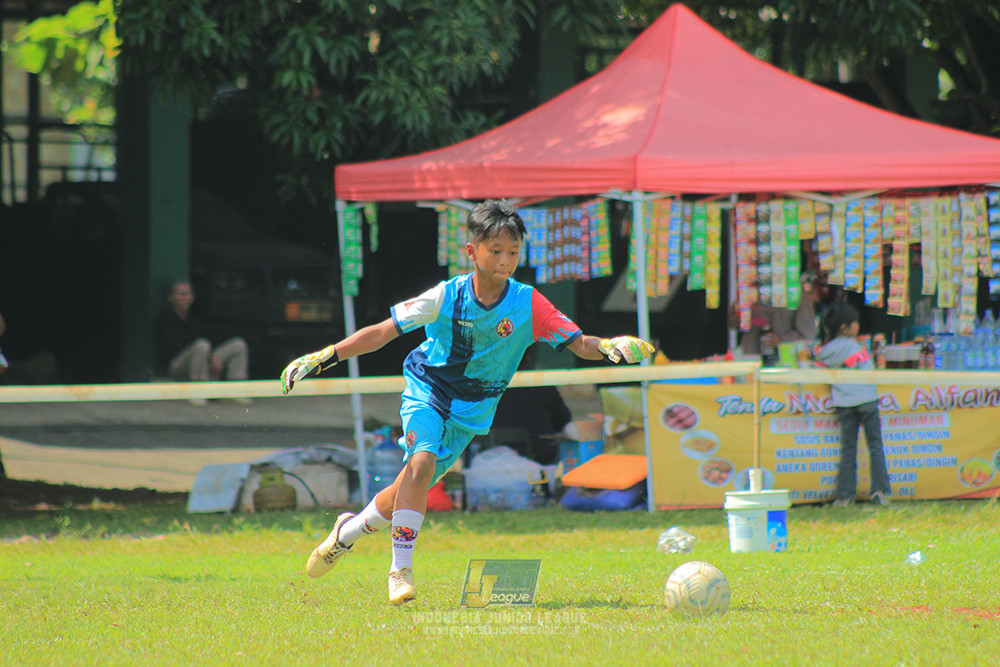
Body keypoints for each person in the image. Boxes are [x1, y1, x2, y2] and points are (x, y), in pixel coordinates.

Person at [279, 199, 654, 605]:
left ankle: (346, 534)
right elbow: (383, 332)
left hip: (473, 410)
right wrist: (326, 355)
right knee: (420, 464)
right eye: (496, 251)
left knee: (407, 488)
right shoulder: (446, 295)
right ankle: (399, 571)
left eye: (513, 252)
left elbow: (580, 344)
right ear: (472, 251)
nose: (505, 261)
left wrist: (612, 346)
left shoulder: (529, 303)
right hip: (430, 388)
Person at [814, 302, 891, 508]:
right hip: (866, 399)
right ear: (845, 327)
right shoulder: (856, 346)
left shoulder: (825, 351)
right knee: (875, 446)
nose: (858, 326)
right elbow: (870, 370)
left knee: (848, 449)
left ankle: (844, 495)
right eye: (855, 322)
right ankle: (880, 491)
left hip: (844, 402)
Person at [154, 280, 250, 405]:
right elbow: (176, 347)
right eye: (180, 294)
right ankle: (198, 391)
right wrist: (210, 358)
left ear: (192, 297)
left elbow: (210, 340)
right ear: (171, 297)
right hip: (178, 365)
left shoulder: (195, 319)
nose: (183, 298)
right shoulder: (165, 319)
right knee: (201, 346)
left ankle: (237, 390)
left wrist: (213, 359)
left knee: (238, 345)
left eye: (186, 294)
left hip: (203, 359)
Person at [729, 271, 822, 356]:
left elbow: (808, 334)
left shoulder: (794, 290)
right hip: (751, 355)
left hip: (785, 359)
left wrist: (781, 339)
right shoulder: (751, 286)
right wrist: (742, 319)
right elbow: (731, 321)